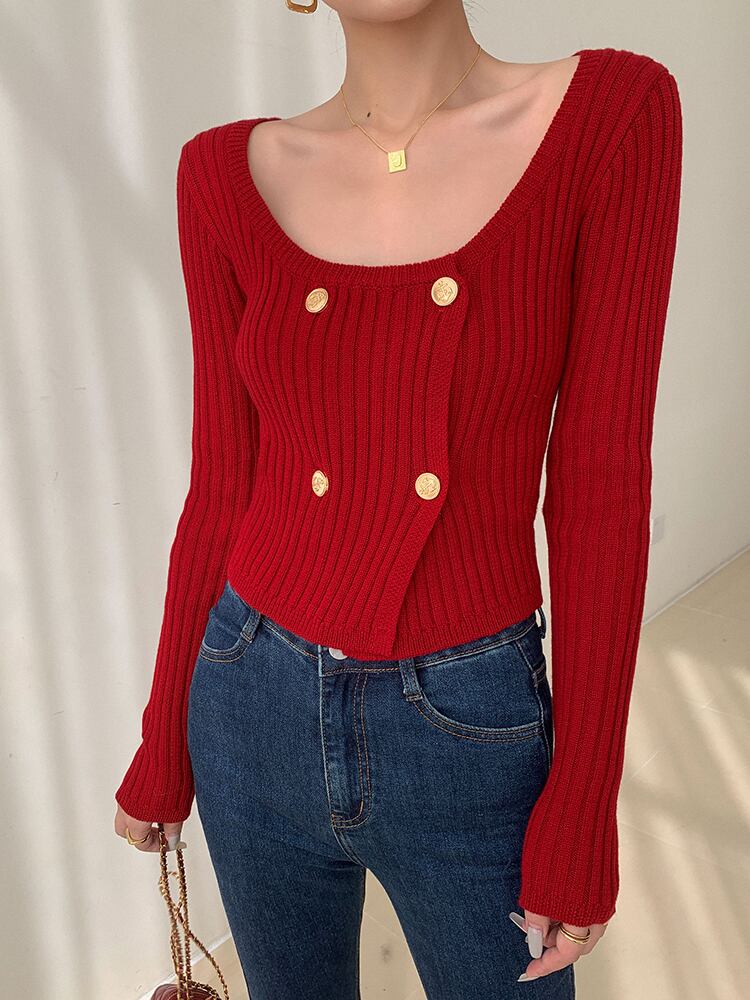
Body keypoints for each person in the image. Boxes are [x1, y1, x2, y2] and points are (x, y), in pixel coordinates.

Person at [113, 1, 683, 996]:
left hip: (468, 723)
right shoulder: (221, 174)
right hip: (248, 700)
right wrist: (166, 735)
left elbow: (599, 486)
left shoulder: (611, 116)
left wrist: (582, 806)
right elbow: (223, 483)